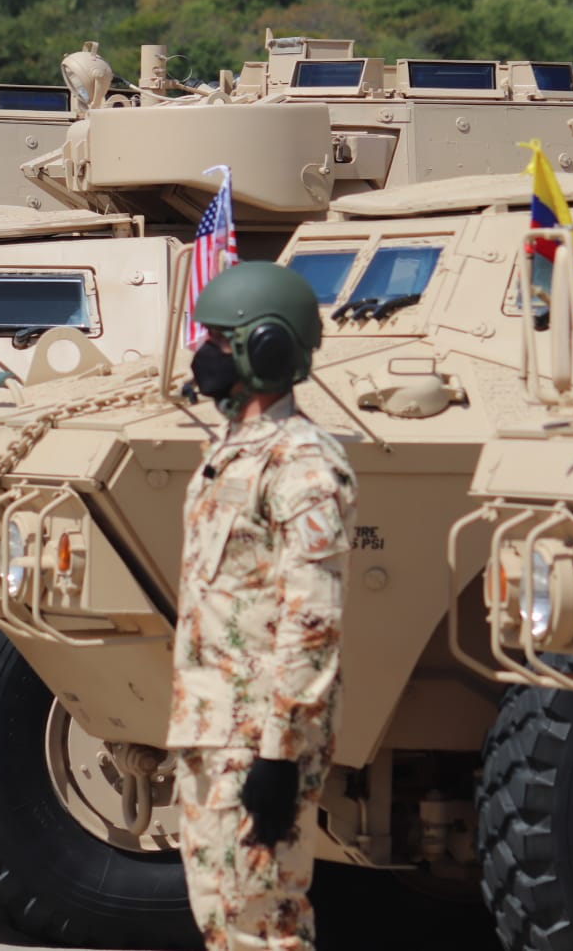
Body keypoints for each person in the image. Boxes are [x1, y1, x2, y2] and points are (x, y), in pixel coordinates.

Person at [167, 261, 356, 951]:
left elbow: (314, 621)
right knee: (226, 920)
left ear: (265, 349)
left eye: (220, 340)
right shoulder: (236, 452)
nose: (205, 354)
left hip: (257, 738)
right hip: (212, 728)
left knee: (262, 924)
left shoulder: (302, 465)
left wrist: (278, 757)